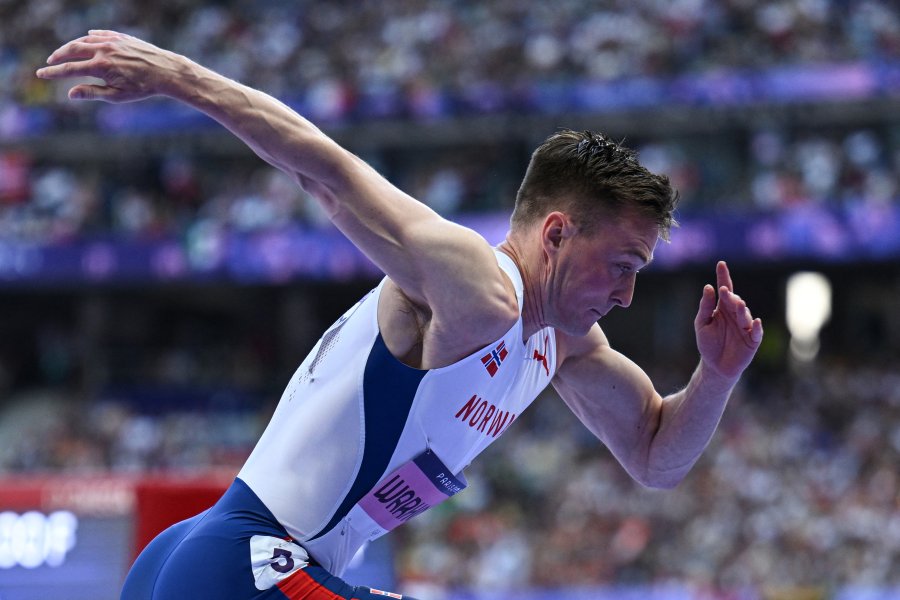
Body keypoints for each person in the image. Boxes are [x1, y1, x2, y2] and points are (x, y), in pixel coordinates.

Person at [37, 30, 763, 600]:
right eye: (622, 267)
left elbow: (656, 458)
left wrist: (718, 374)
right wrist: (175, 75)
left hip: (214, 561)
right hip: (245, 561)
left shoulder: (564, 345)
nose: (627, 295)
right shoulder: (479, 287)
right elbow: (324, 171)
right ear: (556, 234)